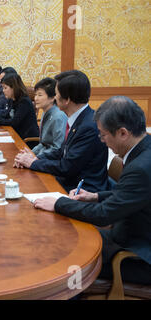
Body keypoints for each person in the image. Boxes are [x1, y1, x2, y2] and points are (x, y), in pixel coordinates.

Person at [34, 96, 151, 285]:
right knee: (64, 237)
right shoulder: (145, 147)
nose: (102, 141)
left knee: (62, 258)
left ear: (122, 133)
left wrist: (58, 203)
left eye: (103, 135)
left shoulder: (140, 167)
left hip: (137, 256)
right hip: (132, 233)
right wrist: (95, 196)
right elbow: (133, 194)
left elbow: (104, 215)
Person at [14, 70, 109, 193]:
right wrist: (34, 158)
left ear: (67, 100)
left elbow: (67, 167)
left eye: (56, 93)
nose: (55, 97)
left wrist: (33, 163)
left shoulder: (89, 126)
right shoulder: (77, 118)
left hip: (81, 190)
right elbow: (61, 152)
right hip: (68, 180)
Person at [14, 77, 67, 161]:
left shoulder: (58, 116)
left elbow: (57, 149)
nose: (36, 99)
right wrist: (30, 153)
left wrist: (35, 158)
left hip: (52, 162)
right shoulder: (46, 112)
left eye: (40, 95)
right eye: (35, 95)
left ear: (53, 97)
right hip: (43, 157)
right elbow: (42, 144)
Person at [0, 73, 39, 142]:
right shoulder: (12, 99)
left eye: (5, 88)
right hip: (15, 134)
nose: (3, 91)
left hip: (26, 140)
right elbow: (6, 115)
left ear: (14, 87)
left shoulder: (24, 101)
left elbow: (13, 122)